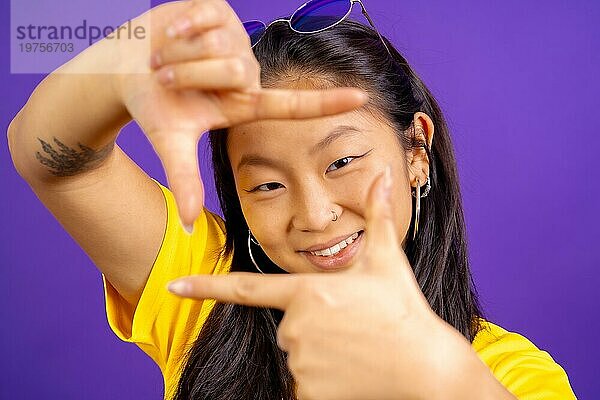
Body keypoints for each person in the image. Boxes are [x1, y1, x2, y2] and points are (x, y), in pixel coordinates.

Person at [7, 0, 577, 399]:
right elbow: (45, 153)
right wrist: (135, 54)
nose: (314, 216)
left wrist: (446, 380)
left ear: (416, 151)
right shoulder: (207, 297)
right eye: (267, 186)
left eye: (342, 162)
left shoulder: (507, 373)